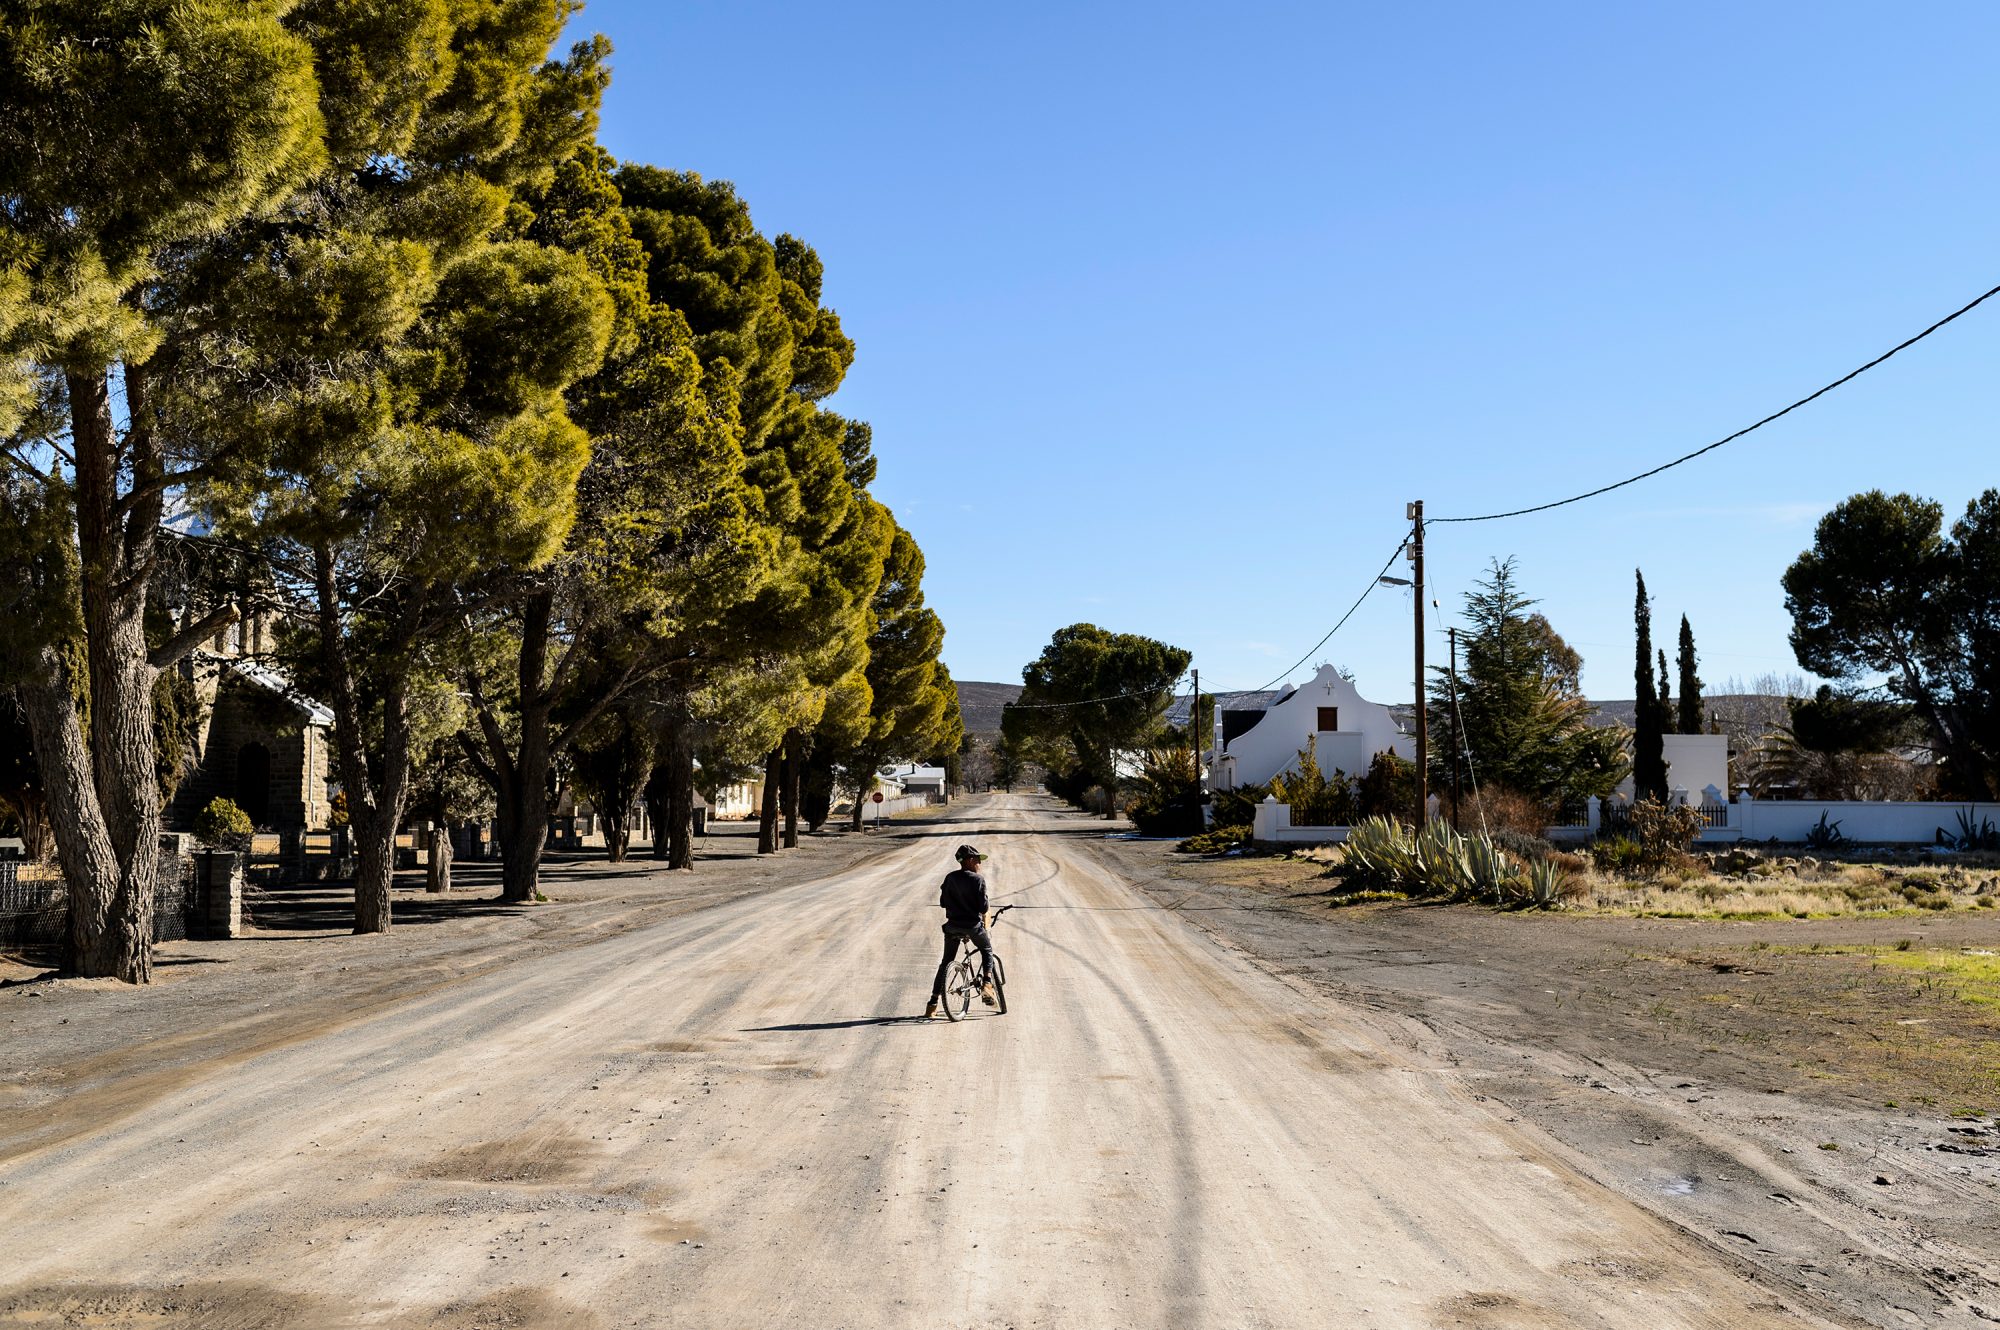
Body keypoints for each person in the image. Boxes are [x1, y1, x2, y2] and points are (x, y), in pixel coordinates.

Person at [925, 844, 997, 1017]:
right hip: (972, 926)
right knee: (987, 950)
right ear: (970, 860)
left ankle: (932, 1005)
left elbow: (943, 902)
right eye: (978, 860)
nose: (980, 863)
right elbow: (984, 906)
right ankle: (987, 984)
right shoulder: (977, 880)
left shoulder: (950, 878)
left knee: (945, 962)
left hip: (952, 926)